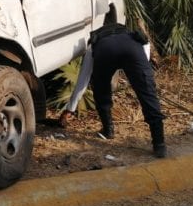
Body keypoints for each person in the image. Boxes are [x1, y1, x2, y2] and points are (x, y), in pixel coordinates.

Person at [59, 21, 167, 158]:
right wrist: (140, 80)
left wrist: (71, 108)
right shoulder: (134, 36)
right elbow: (145, 53)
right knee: (148, 95)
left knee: (100, 88)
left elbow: (83, 80)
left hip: (105, 52)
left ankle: (108, 130)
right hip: (133, 50)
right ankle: (159, 144)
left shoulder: (94, 44)